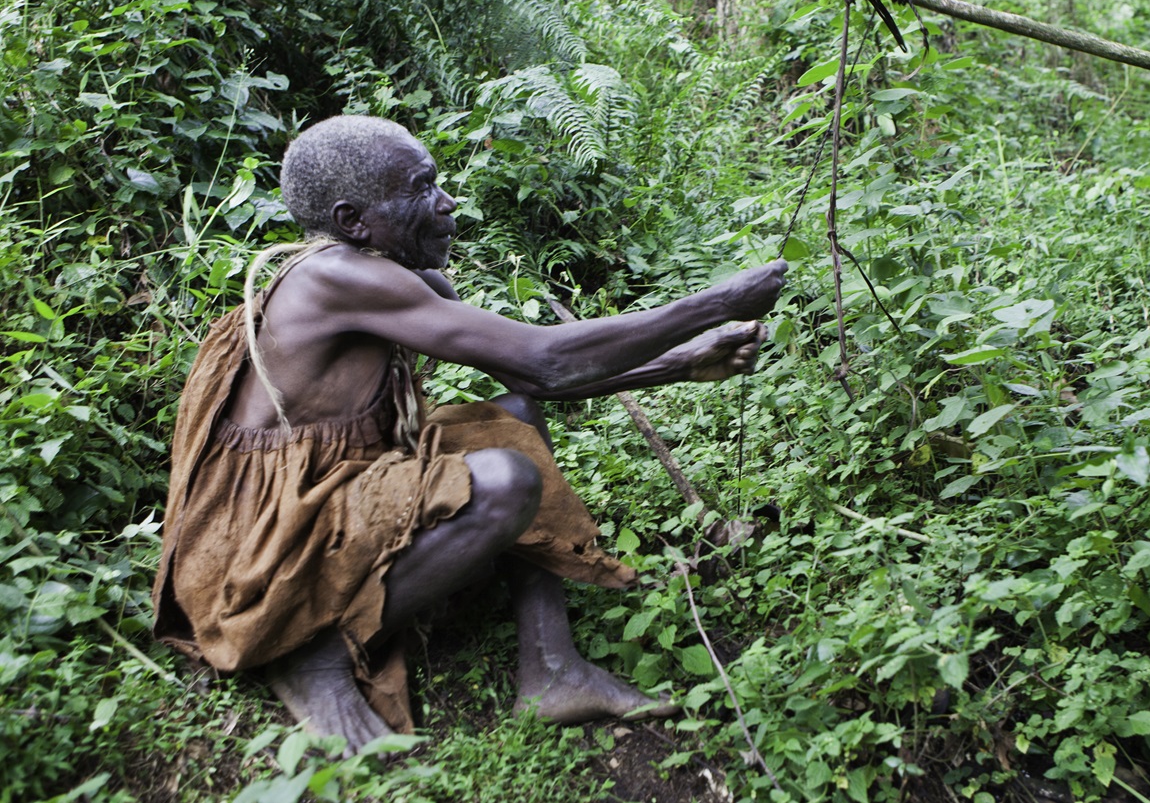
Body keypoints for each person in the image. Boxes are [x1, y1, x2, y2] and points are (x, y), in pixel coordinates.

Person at [152, 115, 787, 753]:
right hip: (268, 538)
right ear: (353, 222)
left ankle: (552, 669)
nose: (446, 202)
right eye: (421, 188)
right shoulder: (335, 277)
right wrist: (715, 303)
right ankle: (311, 653)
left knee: (510, 416)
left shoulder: (394, 282)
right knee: (504, 482)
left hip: (333, 489)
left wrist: (679, 363)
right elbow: (548, 359)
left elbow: (531, 379)